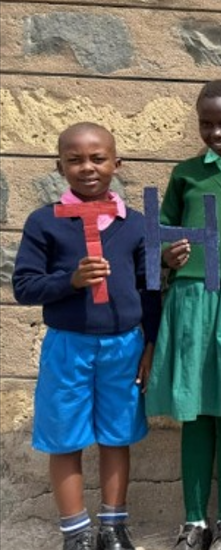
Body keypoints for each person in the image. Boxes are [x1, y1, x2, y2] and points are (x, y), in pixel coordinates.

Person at [12, 122, 159, 550]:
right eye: (75, 160)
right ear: (59, 166)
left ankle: (113, 527)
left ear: (117, 163)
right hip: (68, 345)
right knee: (65, 438)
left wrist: (150, 343)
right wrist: (70, 280)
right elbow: (24, 286)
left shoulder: (135, 224)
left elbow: (150, 288)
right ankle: (75, 532)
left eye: (98, 158)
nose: (87, 168)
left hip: (124, 346)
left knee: (117, 435)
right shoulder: (44, 222)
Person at [145, 80, 221, 550]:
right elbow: (160, 234)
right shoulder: (186, 174)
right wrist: (166, 255)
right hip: (193, 302)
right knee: (194, 411)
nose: (217, 132)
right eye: (207, 123)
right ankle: (194, 522)